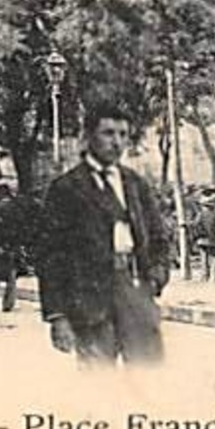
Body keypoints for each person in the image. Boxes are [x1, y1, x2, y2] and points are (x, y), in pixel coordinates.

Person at [37, 107, 170, 366]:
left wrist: (156, 277)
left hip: (135, 293)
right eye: (108, 133)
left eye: (123, 134)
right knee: (98, 387)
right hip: (90, 302)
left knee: (149, 379)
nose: (117, 141)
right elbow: (51, 256)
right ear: (88, 137)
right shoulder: (66, 189)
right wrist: (57, 316)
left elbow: (158, 238)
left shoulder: (136, 184)